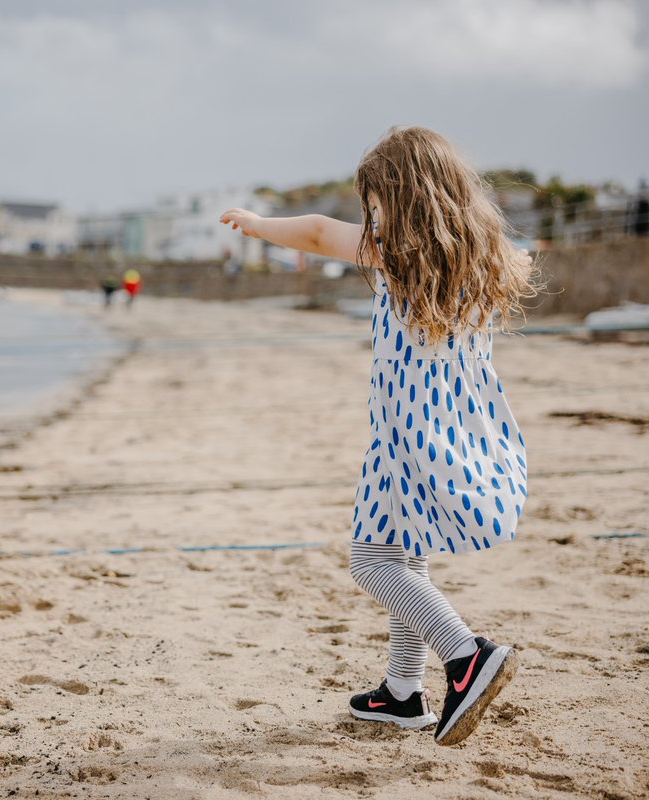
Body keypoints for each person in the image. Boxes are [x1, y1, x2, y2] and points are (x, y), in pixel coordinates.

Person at [221, 126, 537, 747]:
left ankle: (466, 655)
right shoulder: (484, 252)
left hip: (405, 430)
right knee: (405, 550)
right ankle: (401, 691)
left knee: (371, 561)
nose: (370, 218)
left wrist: (257, 224)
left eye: (373, 205)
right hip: (458, 423)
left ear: (401, 197)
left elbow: (315, 232)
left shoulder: (397, 251)